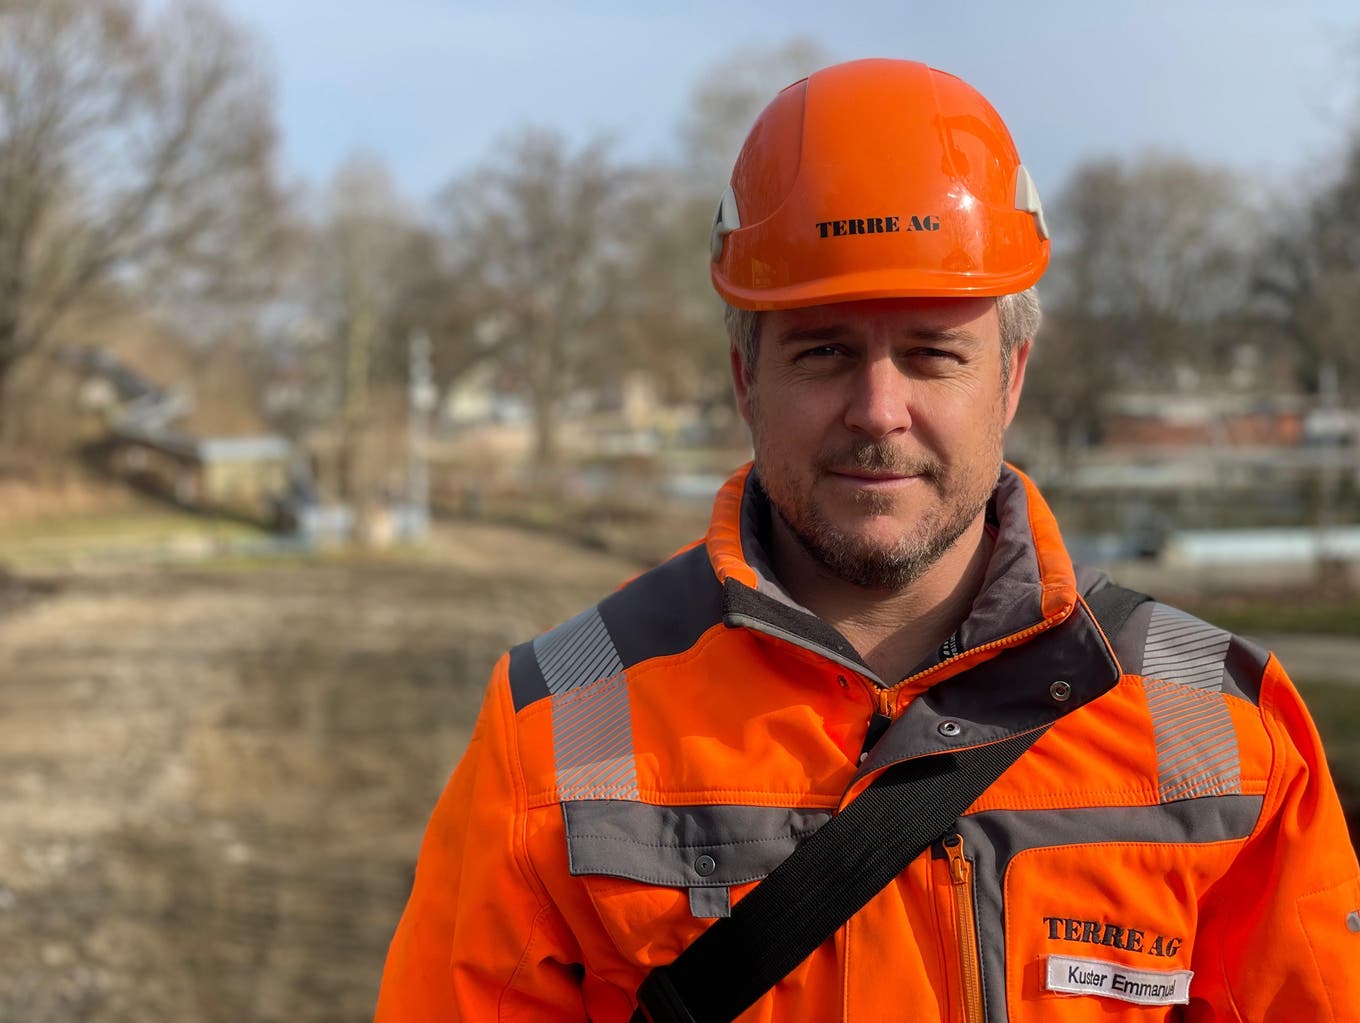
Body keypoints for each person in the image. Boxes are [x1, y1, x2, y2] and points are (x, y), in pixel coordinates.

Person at [376, 59, 1360, 1022]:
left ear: (1009, 379)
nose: (878, 410)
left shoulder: (1222, 731)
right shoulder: (559, 725)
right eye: (824, 351)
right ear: (744, 378)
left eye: (933, 354)